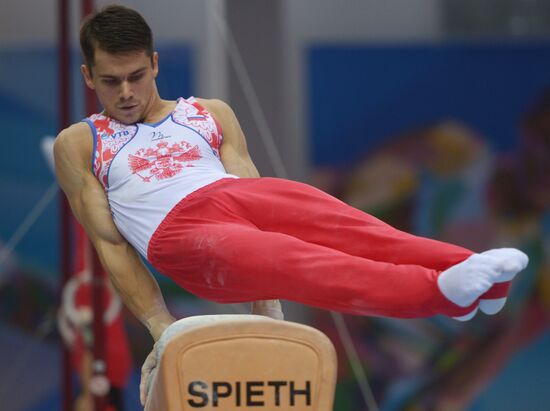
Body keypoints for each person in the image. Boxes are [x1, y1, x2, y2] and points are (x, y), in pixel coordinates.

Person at [53, 5, 528, 405]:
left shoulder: (208, 113)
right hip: (182, 239)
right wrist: (161, 327)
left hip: (235, 198)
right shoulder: (80, 143)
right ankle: (441, 293)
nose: (127, 93)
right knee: (312, 264)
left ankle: (474, 276)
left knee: (349, 226)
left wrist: (267, 302)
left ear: (155, 64)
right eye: (111, 82)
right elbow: (110, 244)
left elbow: (252, 192)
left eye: (136, 76)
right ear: (88, 76)